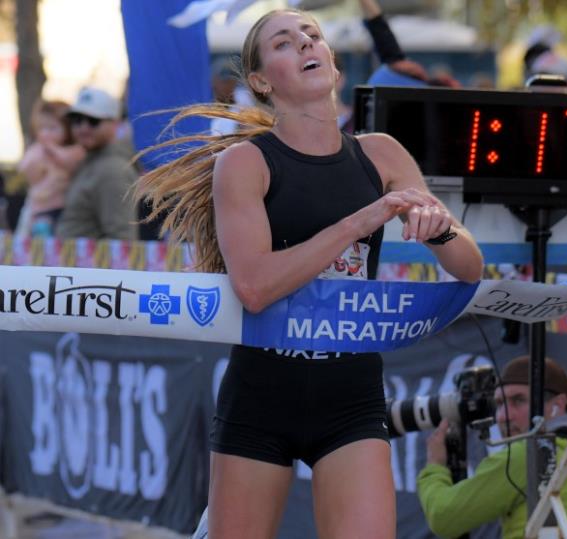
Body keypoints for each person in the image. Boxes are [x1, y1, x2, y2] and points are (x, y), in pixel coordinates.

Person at [134, 9, 483, 538]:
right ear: (260, 80)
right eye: (283, 42)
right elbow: (253, 287)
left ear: (333, 64)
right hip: (261, 395)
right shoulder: (245, 164)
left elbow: (470, 265)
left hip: (351, 392)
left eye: (312, 35)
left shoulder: (381, 153)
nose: (303, 43)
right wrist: (356, 223)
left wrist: (439, 231)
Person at [418, 356, 567, 539]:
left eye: (518, 400)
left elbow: (443, 517)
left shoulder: (526, 454)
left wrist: (435, 465)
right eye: (500, 404)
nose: (503, 417)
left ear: (557, 405)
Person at [55, 86, 138, 241]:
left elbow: (121, 241)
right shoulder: (90, 162)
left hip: (85, 264)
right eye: (77, 120)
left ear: (115, 123)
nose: (83, 127)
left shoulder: (113, 170)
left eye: (94, 121)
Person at [15, 99, 85, 237]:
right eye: (42, 129)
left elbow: (70, 162)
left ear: (67, 129)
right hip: (39, 206)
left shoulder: (74, 150)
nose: (46, 133)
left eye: (52, 128)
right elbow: (25, 168)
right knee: (37, 233)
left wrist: (52, 149)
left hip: (62, 206)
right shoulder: (37, 150)